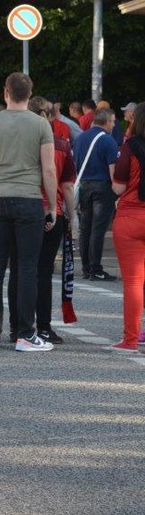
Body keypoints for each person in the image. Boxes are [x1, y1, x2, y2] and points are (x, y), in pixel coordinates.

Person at [0, 72, 57, 352]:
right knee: (26, 267)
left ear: (5, 92)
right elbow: (48, 169)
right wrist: (53, 206)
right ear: (30, 94)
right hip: (29, 199)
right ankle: (24, 333)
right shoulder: (41, 125)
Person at [7, 97, 75, 345]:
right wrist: (71, 217)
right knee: (43, 272)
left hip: (20, 208)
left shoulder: (16, 143)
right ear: (49, 116)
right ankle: (44, 327)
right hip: (51, 210)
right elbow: (67, 186)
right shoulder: (61, 145)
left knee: (18, 269)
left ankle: (17, 327)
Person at [109, 102, 145, 353]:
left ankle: (131, 339)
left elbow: (119, 187)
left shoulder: (128, 148)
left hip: (131, 217)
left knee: (133, 282)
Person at [73, 106, 119, 281]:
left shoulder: (80, 138)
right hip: (102, 187)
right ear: (106, 121)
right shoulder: (108, 141)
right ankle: (96, 269)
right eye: (113, 121)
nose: (114, 125)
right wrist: (117, 193)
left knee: (85, 229)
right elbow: (112, 170)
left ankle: (86, 268)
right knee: (98, 230)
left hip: (84, 186)